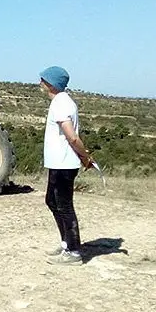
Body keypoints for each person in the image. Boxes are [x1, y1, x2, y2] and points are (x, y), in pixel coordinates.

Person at [39, 66, 94, 266]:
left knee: (64, 205)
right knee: (52, 202)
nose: (40, 84)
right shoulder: (60, 102)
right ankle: (66, 244)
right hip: (58, 162)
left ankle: (74, 252)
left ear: (51, 83)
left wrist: (85, 156)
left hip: (64, 163)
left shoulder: (61, 103)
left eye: (43, 80)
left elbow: (71, 136)